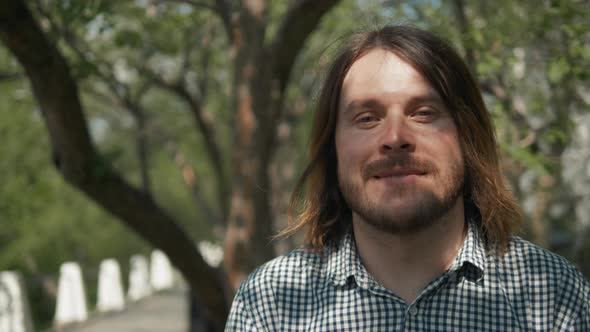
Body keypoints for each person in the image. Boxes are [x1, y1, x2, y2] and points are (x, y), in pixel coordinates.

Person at [225, 25, 590, 331]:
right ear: (332, 148)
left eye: (424, 113)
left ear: (468, 136)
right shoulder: (271, 304)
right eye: (367, 118)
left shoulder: (553, 297)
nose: (395, 137)